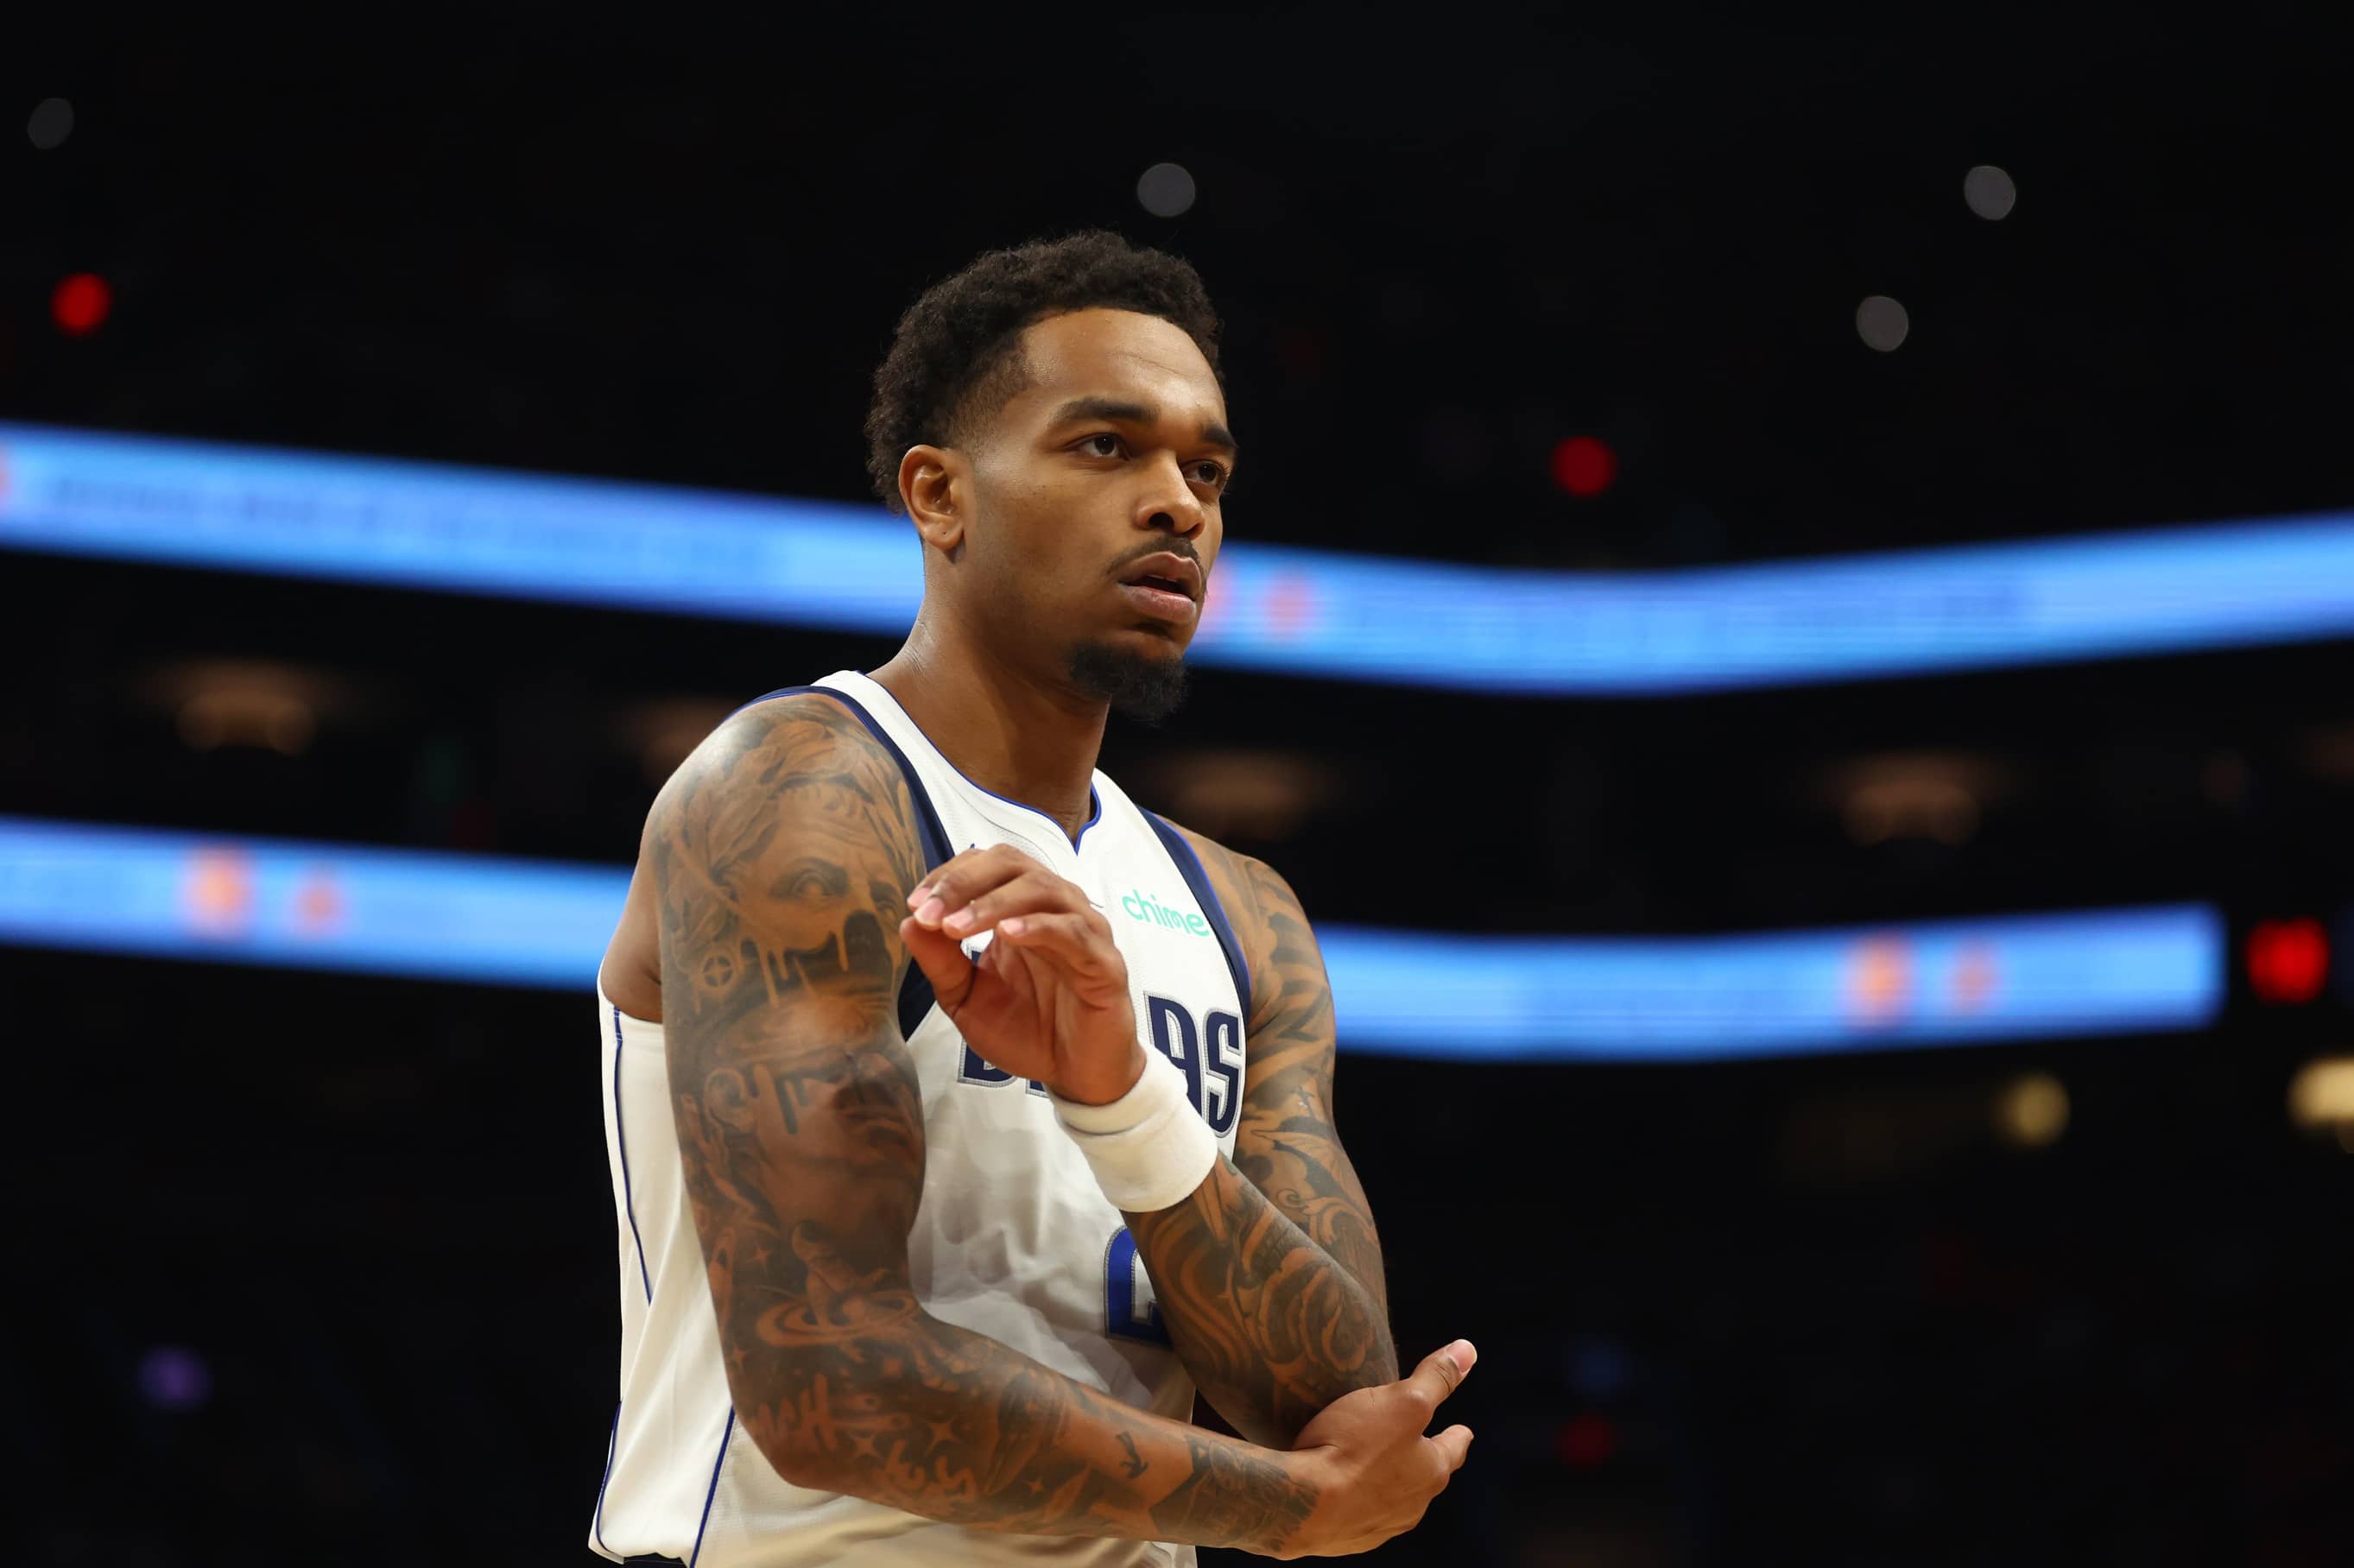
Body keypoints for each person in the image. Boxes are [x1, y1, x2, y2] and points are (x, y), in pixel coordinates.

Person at [588, 231, 1475, 1565]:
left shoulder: (1242, 909)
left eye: (1207, 468)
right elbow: (828, 1388)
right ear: (938, 496)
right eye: (1107, 446)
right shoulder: (801, 794)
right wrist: (1283, 1511)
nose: (1178, 503)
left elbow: (1333, 1395)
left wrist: (1123, 1097)